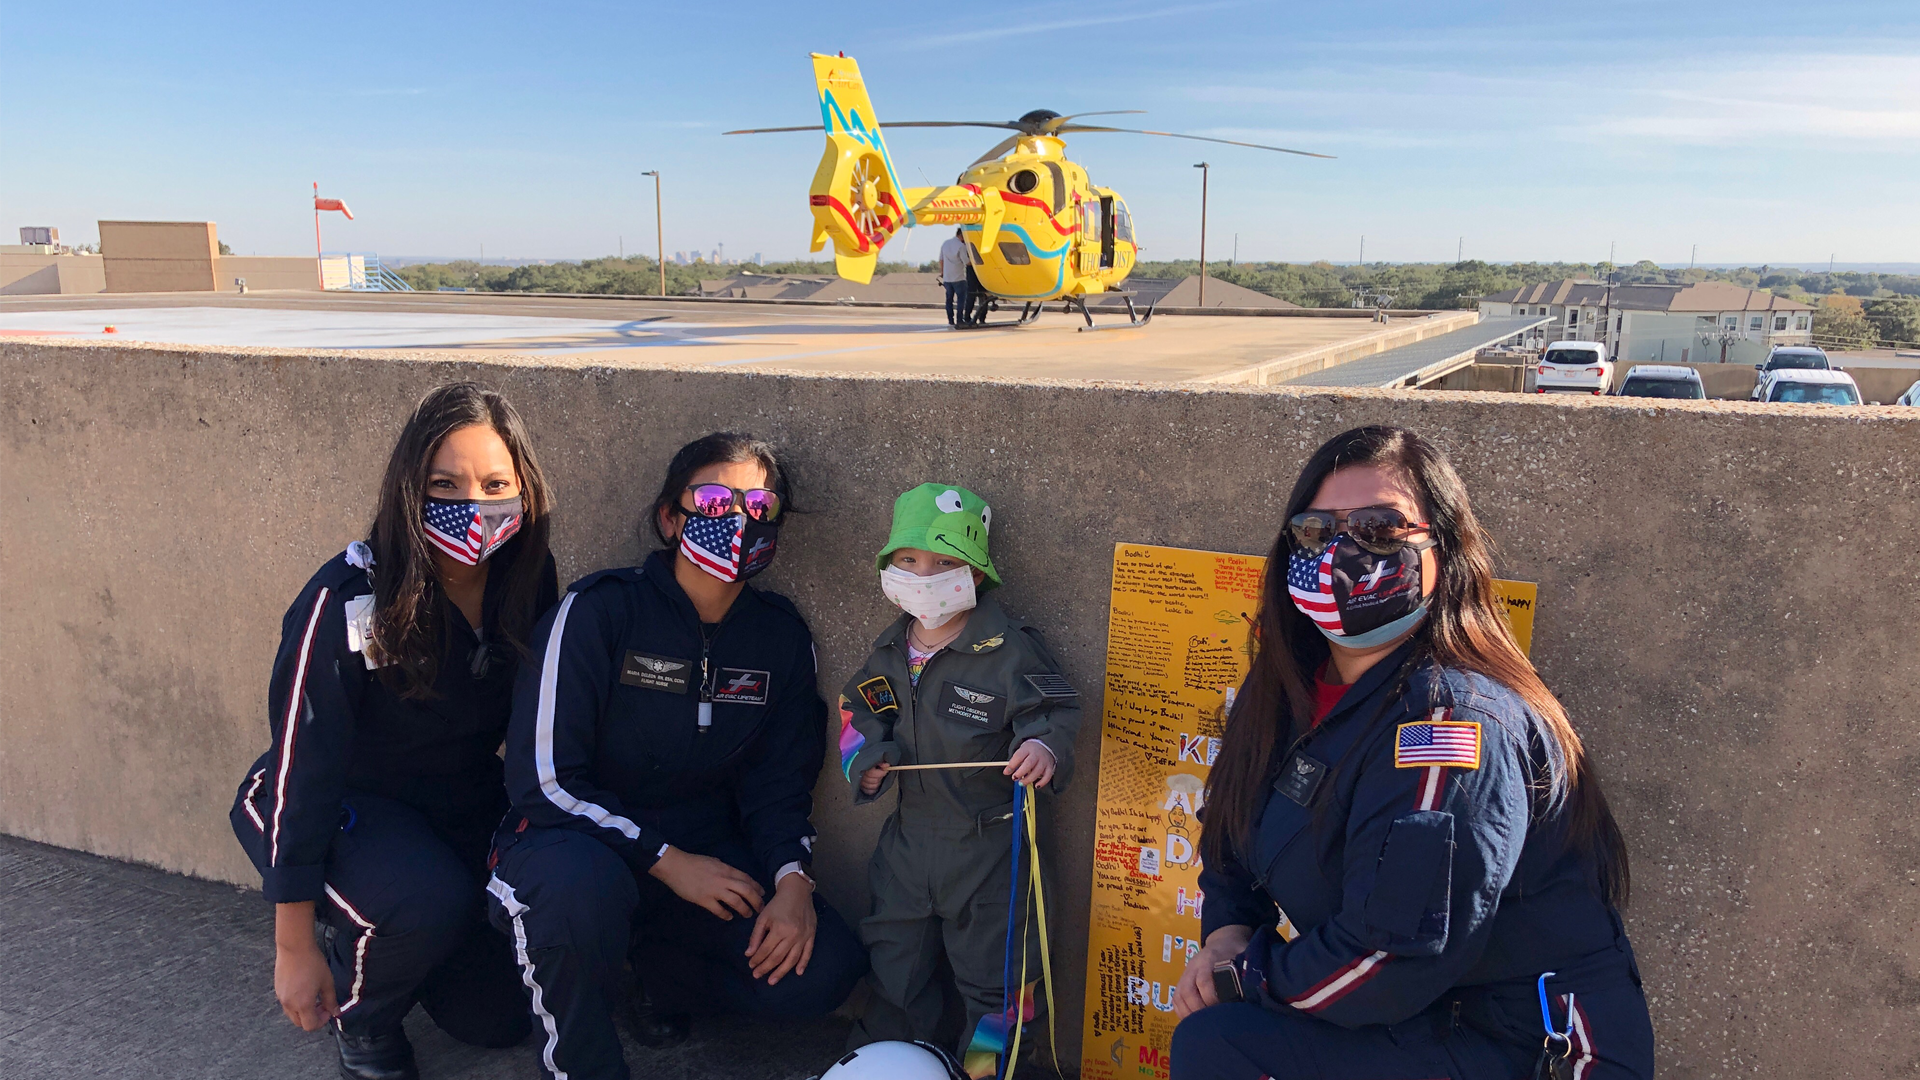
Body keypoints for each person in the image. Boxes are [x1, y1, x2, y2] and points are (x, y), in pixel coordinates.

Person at [1168, 425, 1654, 1080]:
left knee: (1220, 1040)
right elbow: (1230, 827)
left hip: (1520, 1045)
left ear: (1443, 549)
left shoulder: (1448, 724)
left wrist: (1246, 977)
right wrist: (1228, 927)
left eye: (1379, 528)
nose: (1344, 551)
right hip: (1413, 1023)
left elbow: (1390, 959)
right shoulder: (1284, 690)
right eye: (1317, 530)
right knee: (1218, 1043)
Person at [487, 432, 867, 1080]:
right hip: (572, 843)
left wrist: (792, 884)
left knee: (823, 968)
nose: (739, 520)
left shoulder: (778, 635)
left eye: (760, 507)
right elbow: (544, 779)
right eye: (715, 500)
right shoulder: (598, 611)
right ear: (670, 517)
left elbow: (779, 784)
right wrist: (662, 859)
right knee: (579, 895)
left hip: (702, 850)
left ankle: (650, 980)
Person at [230, 382, 558, 1080]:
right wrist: (292, 945)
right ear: (410, 486)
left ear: (524, 490)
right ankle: (364, 1019)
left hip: (447, 806)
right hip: (323, 799)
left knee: (497, 1017)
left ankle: (387, 933)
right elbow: (305, 760)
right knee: (425, 900)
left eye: (495, 483)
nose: (474, 505)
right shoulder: (349, 598)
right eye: (445, 484)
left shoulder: (527, 580)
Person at [840, 484, 1083, 1079]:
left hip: (992, 854)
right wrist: (864, 758)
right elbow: (855, 713)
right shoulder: (889, 651)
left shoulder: (1012, 651)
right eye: (908, 560)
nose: (923, 575)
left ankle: (986, 1075)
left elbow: (1056, 713)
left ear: (975, 570)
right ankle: (896, 1066)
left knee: (1001, 996)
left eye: (945, 562)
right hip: (907, 846)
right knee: (894, 974)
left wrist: (1043, 747)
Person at [939, 227, 972, 328]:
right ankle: (959, 320)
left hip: (947, 278)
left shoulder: (945, 243)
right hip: (958, 277)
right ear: (963, 235)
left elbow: (941, 259)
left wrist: (942, 272)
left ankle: (950, 320)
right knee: (961, 300)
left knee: (949, 300)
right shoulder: (961, 246)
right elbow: (967, 262)